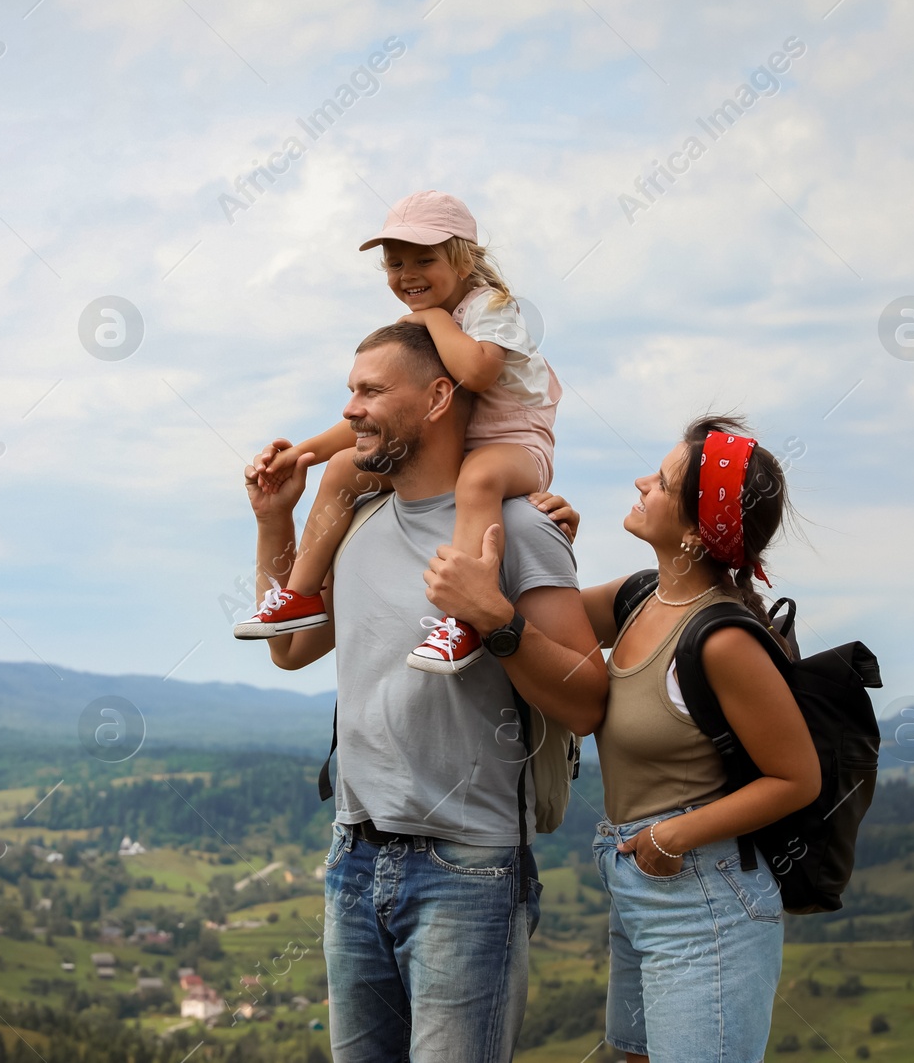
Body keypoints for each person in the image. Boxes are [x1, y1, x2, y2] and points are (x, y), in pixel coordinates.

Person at [242, 322, 605, 1063]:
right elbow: (288, 646)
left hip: (468, 872)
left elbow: (587, 701)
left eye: (370, 390)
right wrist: (274, 517)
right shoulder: (361, 524)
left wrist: (495, 620)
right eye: (350, 391)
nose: (351, 410)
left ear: (440, 396)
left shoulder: (520, 531)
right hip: (352, 855)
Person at [518, 416, 820, 1062]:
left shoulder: (723, 639)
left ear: (694, 528)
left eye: (658, 480)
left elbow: (798, 777)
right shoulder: (639, 596)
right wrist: (549, 545)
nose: (640, 481)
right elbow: (554, 617)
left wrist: (670, 836)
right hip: (642, 882)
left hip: (703, 893)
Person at [235, 190, 563, 675]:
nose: (407, 274)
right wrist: (303, 454)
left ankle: (465, 618)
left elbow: (477, 375)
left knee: (478, 480)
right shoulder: (416, 330)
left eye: (424, 259)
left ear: (465, 258)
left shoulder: (487, 307)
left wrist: (430, 318)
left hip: (514, 445)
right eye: (395, 264)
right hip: (460, 448)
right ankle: (301, 596)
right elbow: (374, 418)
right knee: (346, 466)